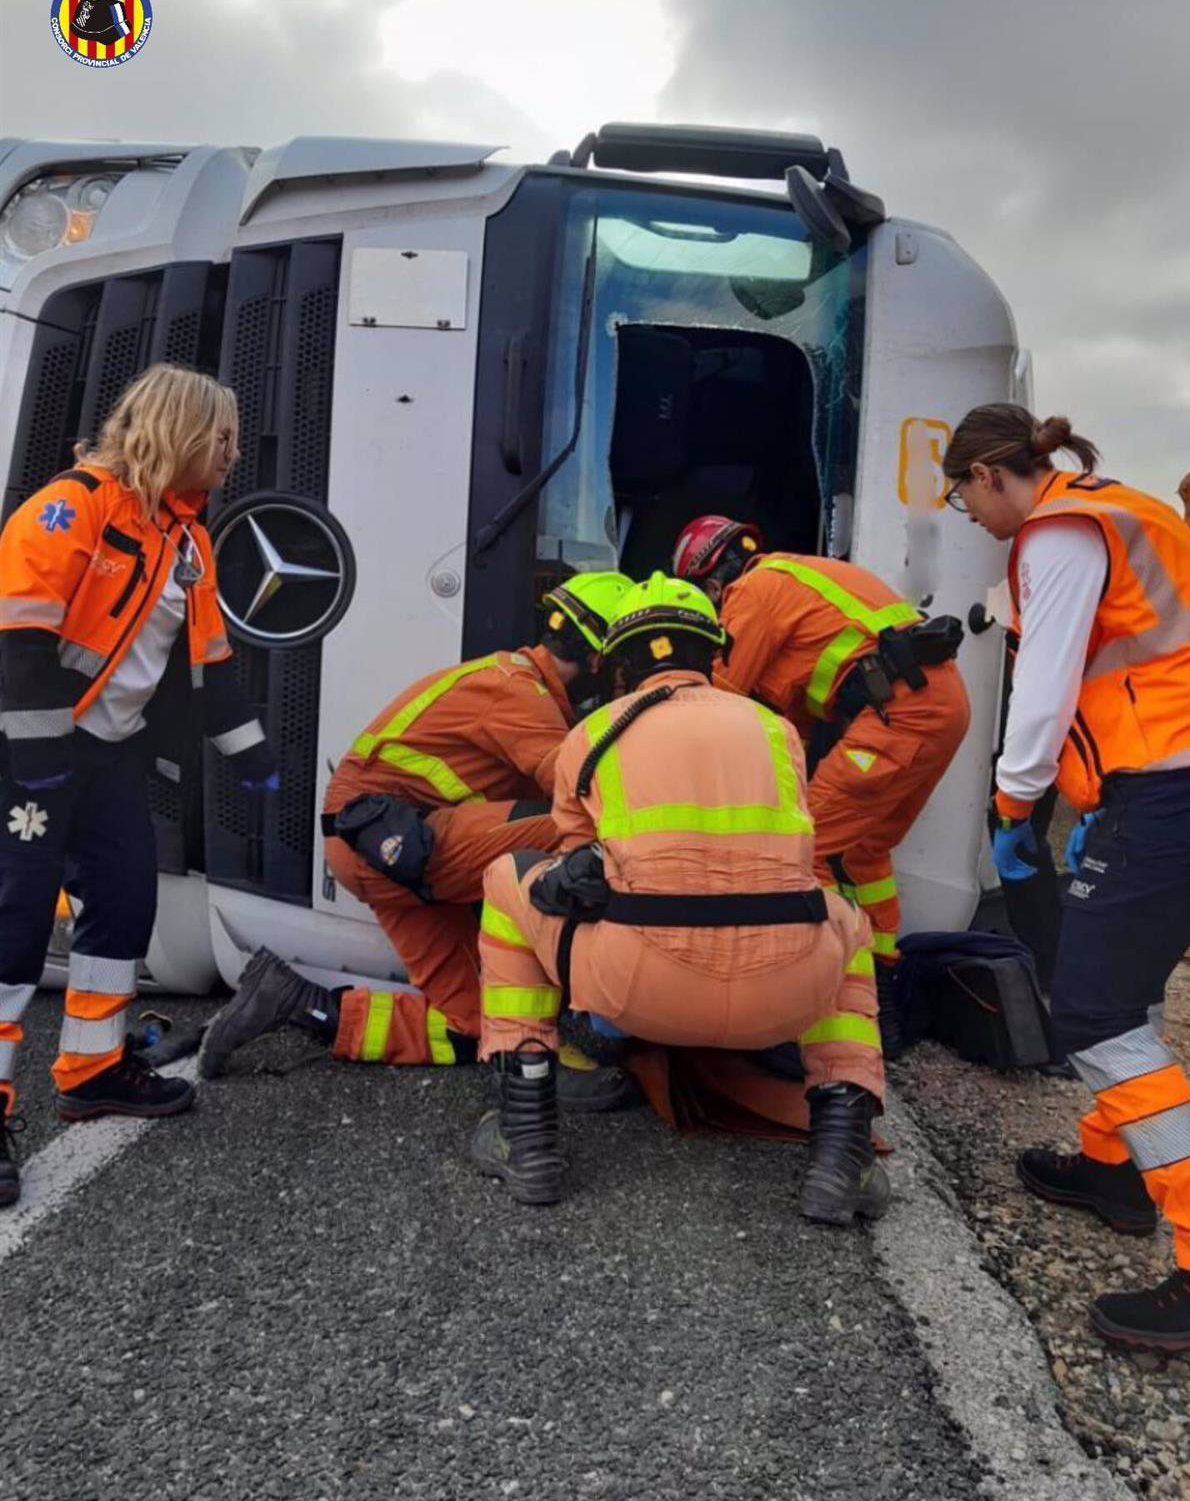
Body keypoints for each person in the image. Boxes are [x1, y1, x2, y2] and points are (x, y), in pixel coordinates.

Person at [469, 572, 884, 1224]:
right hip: (784, 995)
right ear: (711, 654)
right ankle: (843, 1151)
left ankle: (524, 1136)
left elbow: (578, 871)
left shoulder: (595, 733)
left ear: (623, 661)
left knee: (506, 879)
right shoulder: (778, 732)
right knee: (850, 925)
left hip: (639, 989)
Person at [943, 403, 1190, 1354]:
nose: (963, 512)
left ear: (988, 474)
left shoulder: (1060, 534)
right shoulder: (1124, 511)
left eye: (959, 490)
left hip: (1171, 794)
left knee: (1091, 1012)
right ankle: (1113, 1169)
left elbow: (1044, 689)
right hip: (1170, 785)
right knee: (1120, 993)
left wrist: (1015, 805)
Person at [199, 572, 638, 1107]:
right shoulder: (521, 696)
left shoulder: (510, 679)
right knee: (571, 829)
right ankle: (547, 1050)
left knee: (475, 1024)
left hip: (388, 850)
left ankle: (294, 1003)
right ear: (598, 660)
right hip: (398, 843)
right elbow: (587, 791)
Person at [0, 364, 276, 1206]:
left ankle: (92, 1071)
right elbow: (15, 645)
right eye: (221, 436)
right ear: (180, 433)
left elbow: (213, 666)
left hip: (103, 760)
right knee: (12, 929)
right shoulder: (71, 508)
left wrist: (255, 761)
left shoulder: (187, 541)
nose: (232, 452)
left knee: (124, 904)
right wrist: (41, 764)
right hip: (28, 757)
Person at [670, 516, 970, 1060]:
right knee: (862, 853)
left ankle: (827, 1010)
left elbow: (719, 695)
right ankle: (883, 1004)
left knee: (804, 850)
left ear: (711, 582)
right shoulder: (798, 578)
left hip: (900, 715)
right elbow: (787, 720)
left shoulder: (754, 592)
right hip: (938, 705)